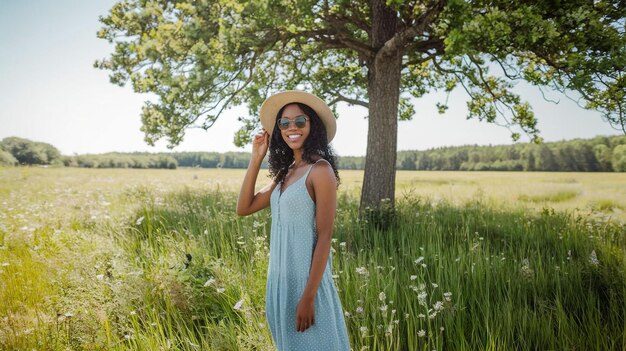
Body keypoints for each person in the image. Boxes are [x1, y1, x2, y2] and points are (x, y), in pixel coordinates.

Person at [236, 91, 351, 350]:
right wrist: (256, 159)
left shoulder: (320, 171)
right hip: (280, 284)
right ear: (278, 130)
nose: (292, 128)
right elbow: (244, 207)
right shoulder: (286, 173)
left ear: (313, 126)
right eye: (284, 123)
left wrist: (308, 296)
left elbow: (324, 236)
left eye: (299, 121)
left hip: (306, 285)